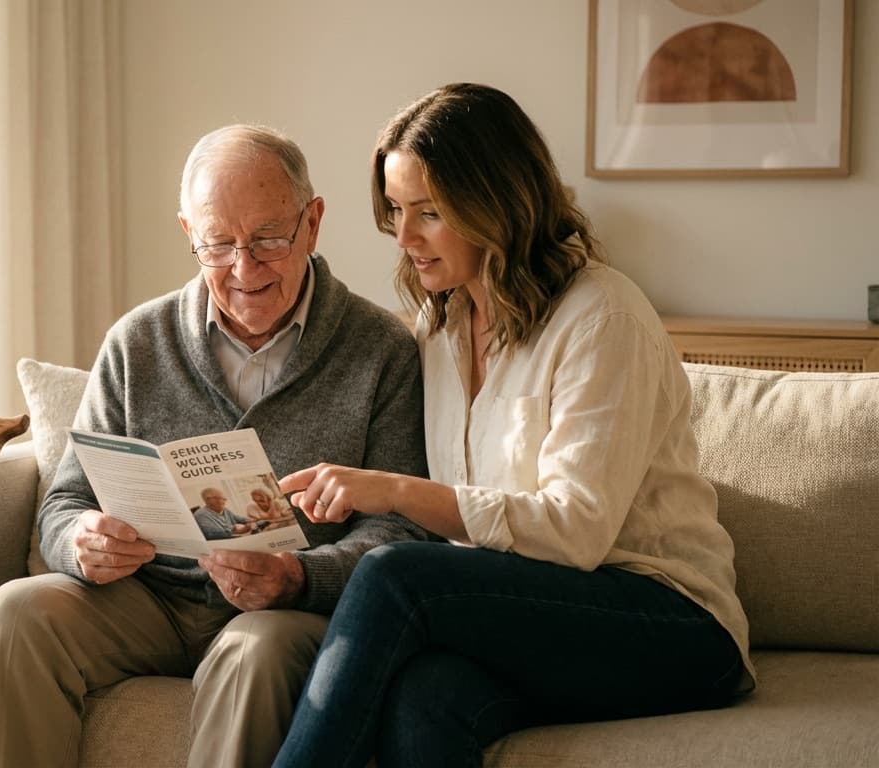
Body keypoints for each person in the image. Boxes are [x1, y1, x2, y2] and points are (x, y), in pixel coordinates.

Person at [272, 83, 754, 768]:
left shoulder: (601, 317)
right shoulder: (438, 330)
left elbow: (575, 531)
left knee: (393, 577)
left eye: (429, 213)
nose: (404, 238)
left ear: (494, 203)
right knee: (423, 698)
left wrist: (397, 491)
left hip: (668, 622)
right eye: (397, 211)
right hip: (530, 616)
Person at [0, 124, 430, 768]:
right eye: (218, 244)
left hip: (284, 615)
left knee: (255, 653)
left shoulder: (382, 350)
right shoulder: (138, 342)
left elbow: (405, 532)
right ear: (190, 234)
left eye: (269, 238)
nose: (244, 268)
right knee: (14, 614)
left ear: (313, 222)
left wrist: (299, 577)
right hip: (148, 599)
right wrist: (79, 539)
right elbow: (65, 498)